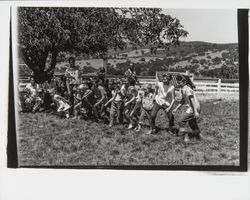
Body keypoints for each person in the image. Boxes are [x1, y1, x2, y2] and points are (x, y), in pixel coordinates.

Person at [171, 75, 201, 143]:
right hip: (191, 108)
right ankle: (198, 136)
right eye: (178, 82)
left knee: (181, 121)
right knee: (192, 123)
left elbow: (192, 100)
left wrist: (195, 111)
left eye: (180, 82)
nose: (178, 84)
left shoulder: (188, 89)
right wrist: (176, 108)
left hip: (194, 108)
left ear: (184, 82)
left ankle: (186, 137)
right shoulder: (182, 89)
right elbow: (183, 100)